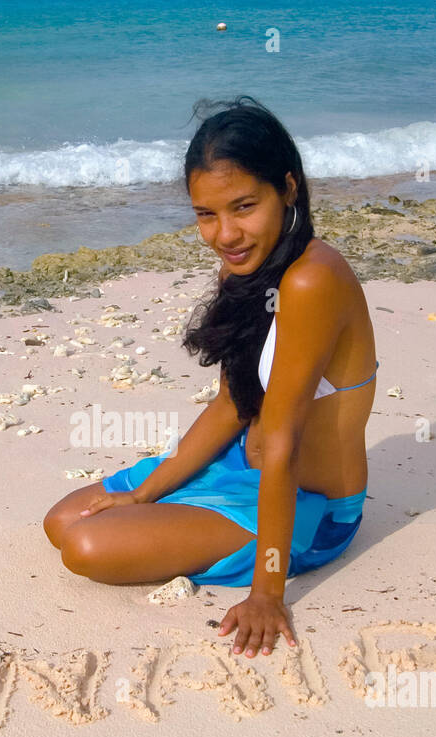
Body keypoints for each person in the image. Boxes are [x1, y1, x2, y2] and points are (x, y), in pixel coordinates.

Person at [43, 95, 378, 659]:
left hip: (308, 505)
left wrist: (267, 594)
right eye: (206, 214)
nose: (226, 233)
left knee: (85, 547)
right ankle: (173, 513)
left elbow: (284, 441)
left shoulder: (311, 281)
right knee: (63, 520)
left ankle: (244, 548)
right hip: (240, 469)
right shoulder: (248, 263)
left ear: (288, 189)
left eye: (244, 206)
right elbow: (232, 404)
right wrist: (148, 493)